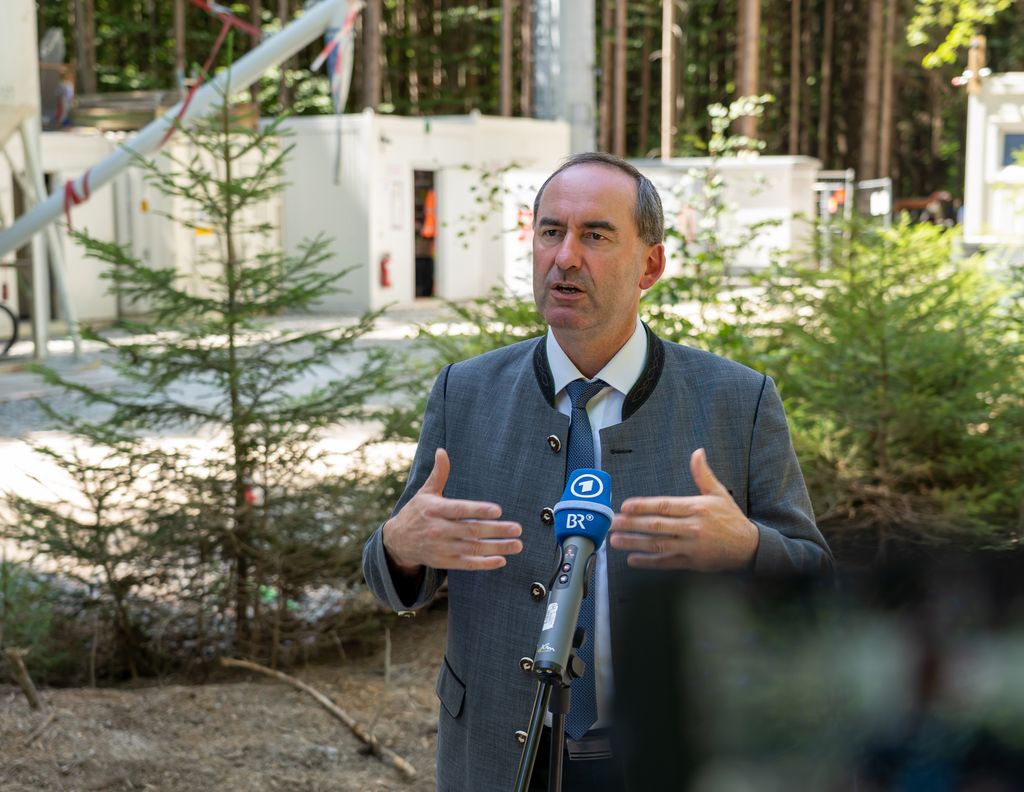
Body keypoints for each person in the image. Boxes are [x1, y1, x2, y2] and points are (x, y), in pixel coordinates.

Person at [362, 152, 833, 791]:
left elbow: (817, 580)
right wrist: (400, 548)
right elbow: (391, 580)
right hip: (500, 753)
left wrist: (747, 549)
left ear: (652, 264)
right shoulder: (465, 392)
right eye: (551, 231)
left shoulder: (736, 401)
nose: (566, 257)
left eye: (596, 235)